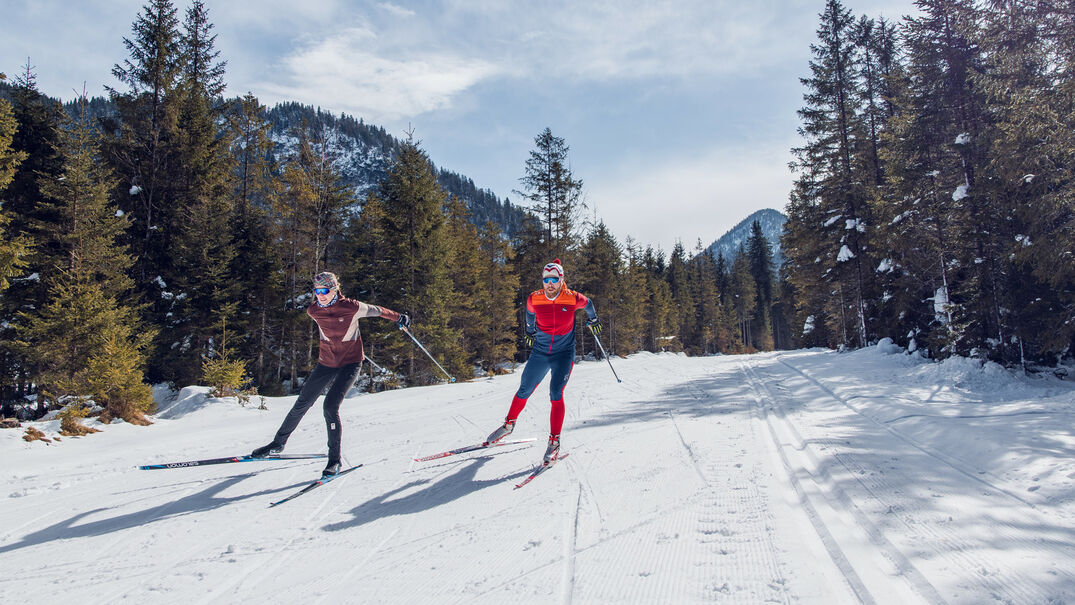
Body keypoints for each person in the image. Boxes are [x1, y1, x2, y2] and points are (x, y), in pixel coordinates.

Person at [250, 271, 409, 477]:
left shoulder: (351, 306)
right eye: (317, 291)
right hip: (326, 363)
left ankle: (334, 460)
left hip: (350, 363)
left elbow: (377, 310)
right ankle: (278, 443)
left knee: (330, 406)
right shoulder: (313, 311)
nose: (321, 295)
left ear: (334, 289)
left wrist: (399, 317)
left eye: (325, 290)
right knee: (302, 403)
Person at [486, 259, 600, 463]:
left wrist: (593, 319)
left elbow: (589, 304)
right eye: (546, 279)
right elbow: (529, 313)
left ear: (561, 279)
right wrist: (529, 329)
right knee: (524, 389)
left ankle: (554, 441)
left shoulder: (572, 297)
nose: (549, 283)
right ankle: (508, 426)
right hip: (540, 353)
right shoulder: (534, 298)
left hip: (563, 354)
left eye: (554, 279)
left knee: (556, 393)